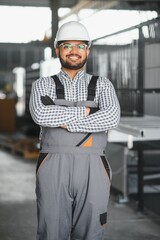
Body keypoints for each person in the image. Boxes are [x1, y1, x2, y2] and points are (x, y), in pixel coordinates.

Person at [29, 21, 120, 240]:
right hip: (53, 165)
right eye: (67, 45)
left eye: (80, 46)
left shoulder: (102, 85)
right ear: (57, 49)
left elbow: (112, 117)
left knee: (91, 231)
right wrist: (87, 113)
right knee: (51, 230)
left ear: (88, 50)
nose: (74, 52)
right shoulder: (42, 84)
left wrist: (61, 117)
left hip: (93, 167)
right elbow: (41, 115)